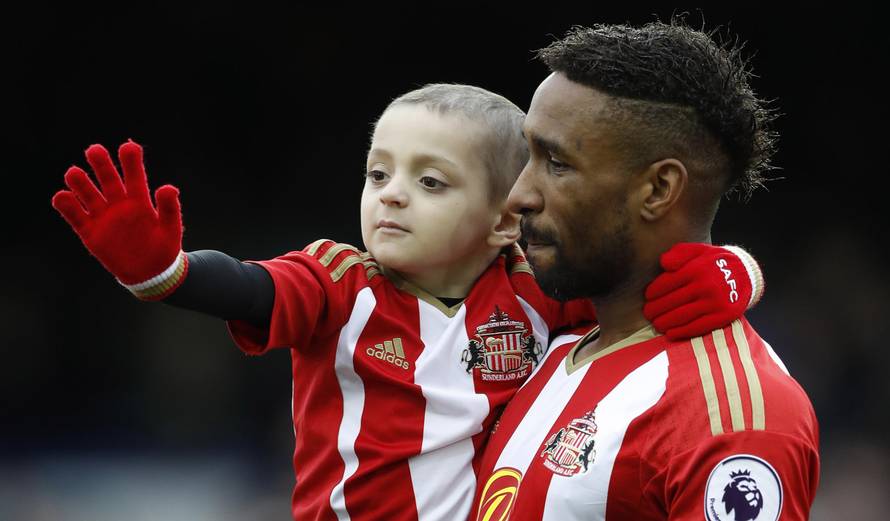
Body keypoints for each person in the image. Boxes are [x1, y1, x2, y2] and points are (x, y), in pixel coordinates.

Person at [52, 84, 763, 520]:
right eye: (379, 171)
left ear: (503, 219)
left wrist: (736, 270)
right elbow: (245, 286)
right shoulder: (338, 282)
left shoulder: (532, 291)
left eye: (431, 182)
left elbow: (644, 280)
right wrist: (162, 270)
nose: (391, 192)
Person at [471, 21, 818, 521]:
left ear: (657, 189)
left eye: (558, 163)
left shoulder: (734, 419)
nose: (519, 195)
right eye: (529, 155)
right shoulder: (552, 340)